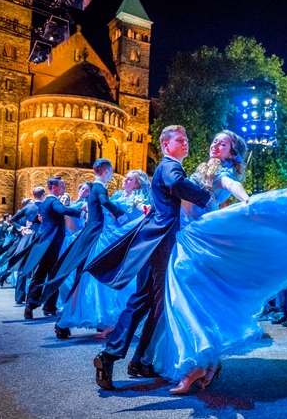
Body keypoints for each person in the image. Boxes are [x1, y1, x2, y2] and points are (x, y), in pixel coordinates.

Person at [141, 130, 287, 394]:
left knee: (187, 295)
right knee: (199, 297)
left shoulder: (222, 171)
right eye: (215, 139)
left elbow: (231, 185)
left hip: (198, 234)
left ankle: (197, 364)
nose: (216, 143)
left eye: (223, 143)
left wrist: (248, 200)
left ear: (232, 152)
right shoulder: (204, 167)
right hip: (187, 232)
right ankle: (206, 363)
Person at [87, 125, 212, 391]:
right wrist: (204, 194)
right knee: (156, 304)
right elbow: (178, 184)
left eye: (186, 138)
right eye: (180, 139)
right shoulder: (170, 166)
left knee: (142, 300)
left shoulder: (167, 166)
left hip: (152, 243)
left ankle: (129, 360)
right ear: (166, 145)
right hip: (162, 243)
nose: (186, 142)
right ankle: (121, 357)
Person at [54, 170, 151, 340]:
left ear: (137, 184)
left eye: (129, 179)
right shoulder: (118, 195)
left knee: (107, 282)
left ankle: (111, 323)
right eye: (126, 177)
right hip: (103, 240)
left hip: (116, 242)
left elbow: (139, 217)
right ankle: (74, 321)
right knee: (88, 281)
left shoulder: (139, 199)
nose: (125, 180)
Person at [38, 159, 125, 329]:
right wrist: (120, 215)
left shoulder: (96, 186)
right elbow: (105, 202)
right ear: (106, 171)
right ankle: (67, 321)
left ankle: (95, 316)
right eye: (112, 171)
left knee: (88, 275)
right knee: (89, 274)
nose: (113, 174)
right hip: (96, 231)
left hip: (92, 229)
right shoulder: (99, 187)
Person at [20, 177, 84, 320]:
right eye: (62, 185)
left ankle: (41, 305)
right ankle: (42, 305)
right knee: (51, 273)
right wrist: (81, 211)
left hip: (45, 243)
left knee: (44, 274)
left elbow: (39, 219)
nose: (64, 187)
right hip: (52, 244)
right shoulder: (53, 201)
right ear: (54, 187)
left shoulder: (44, 203)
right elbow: (62, 210)